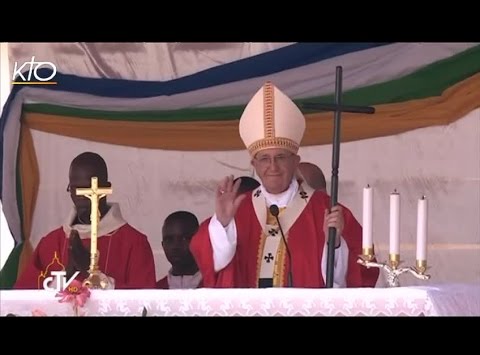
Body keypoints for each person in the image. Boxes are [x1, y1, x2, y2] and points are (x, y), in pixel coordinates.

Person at [190, 81, 379, 288]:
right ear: (254, 164)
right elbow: (210, 263)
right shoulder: (238, 211)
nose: (273, 166)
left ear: (295, 161)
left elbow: (362, 271)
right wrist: (223, 224)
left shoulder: (327, 210)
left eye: (280, 157)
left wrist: (334, 243)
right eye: (264, 159)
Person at [14, 152, 157, 290]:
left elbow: (145, 302)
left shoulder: (134, 243)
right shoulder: (51, 242)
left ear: (106, 188)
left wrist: (92, 274)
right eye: (75, 188)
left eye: (88, 187)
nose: (80, 195)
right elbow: (25, 298)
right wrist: (68, 273)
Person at [156, 211, 202, 289]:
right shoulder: (154, 292)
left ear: (200, 241)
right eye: (169, 240)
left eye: (184, 238)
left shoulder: (218, 288)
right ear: (163, 245)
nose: (175, 246)